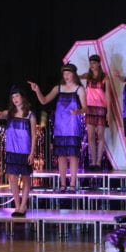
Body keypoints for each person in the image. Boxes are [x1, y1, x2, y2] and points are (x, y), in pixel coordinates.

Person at [28, 63, 87, 193]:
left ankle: (72, 184)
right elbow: (44, 101)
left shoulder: (79, 89)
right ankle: (62, 184)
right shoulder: (58, 88)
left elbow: (85, 107)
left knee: (73, 156)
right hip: (60, 126)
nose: (66, 76)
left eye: (69, 73)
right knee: (61, 156)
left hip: (72, 126)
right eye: (64, 74)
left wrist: (78, 111)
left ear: (74, 74)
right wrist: (37, 90)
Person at [0, 86, 36, 217]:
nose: (15, 99)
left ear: (22, 97)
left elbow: (33, 135)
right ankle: (17, 205)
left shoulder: (30, 115)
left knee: (26, 179)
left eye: (17, 96)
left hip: (25, 151)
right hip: (12, 151)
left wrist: (32, 153)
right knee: (13, 178)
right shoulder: (9, 113)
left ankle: (23, 205)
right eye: (13, 97)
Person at [79, 54, 110, 171]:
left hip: (101, 108)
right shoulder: (88, 76)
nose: (91, 65)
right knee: (91, 136)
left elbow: (108, 96)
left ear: (98, 63)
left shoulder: (104, 77)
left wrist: (108, 113)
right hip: (90, 108)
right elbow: (78, 77)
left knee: (100, 135)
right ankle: (93, 161)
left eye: (94, 63)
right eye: (90, 63)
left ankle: (98, 161)